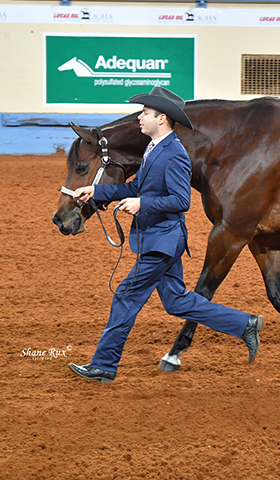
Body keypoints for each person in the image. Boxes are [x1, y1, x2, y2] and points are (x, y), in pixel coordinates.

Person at [69, 86, 263, 383]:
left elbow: (180, 200)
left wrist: (142, 204)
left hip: (162, 242)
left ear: (161, 118)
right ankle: (244, 323)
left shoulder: (174, 154)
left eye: (145, 113)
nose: (140, 118)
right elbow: (134, 189)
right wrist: (97, 190)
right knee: (176, 302)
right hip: (161, 239)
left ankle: (104, 366)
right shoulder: (153, 149)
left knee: (125, 296)